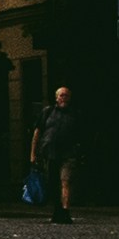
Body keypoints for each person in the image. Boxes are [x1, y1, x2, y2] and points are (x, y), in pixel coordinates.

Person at [31, 84, 81, 222]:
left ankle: (65, 210)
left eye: (66, 95)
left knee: (65, 181)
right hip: (50, 153)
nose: (64, 98)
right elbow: (37, 133)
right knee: (53, 182)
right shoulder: (47, 112)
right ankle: (57, 209)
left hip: (68, 153)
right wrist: (33, 154)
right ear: (56, 98)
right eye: (61, 95)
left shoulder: (75, 114)